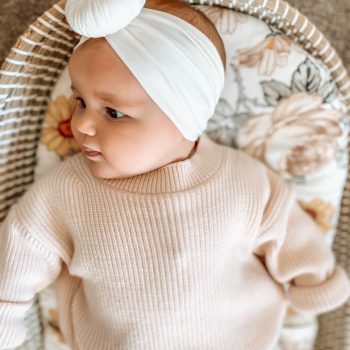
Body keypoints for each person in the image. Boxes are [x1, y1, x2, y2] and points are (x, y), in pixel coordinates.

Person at [0, 0, 349, 349]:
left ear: (184, 117)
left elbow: (291, 233)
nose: (81, 124)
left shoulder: (241, 181)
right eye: (79, 102)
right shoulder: (68, 191)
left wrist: (314, 282)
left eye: (113, 112)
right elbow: (19, 251)